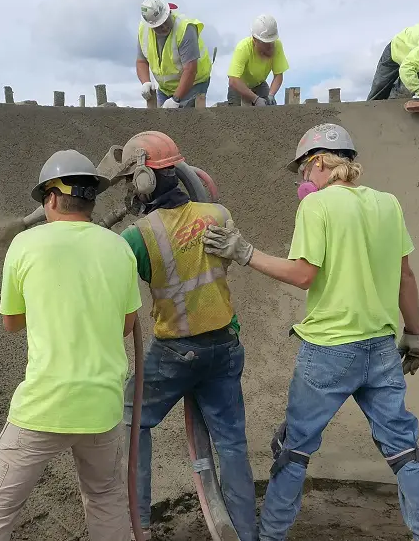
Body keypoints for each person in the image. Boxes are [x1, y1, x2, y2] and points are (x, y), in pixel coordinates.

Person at [202, 124, 419, 541]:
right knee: (404, 449)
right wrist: (415, 334)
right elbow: (405, 275)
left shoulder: (317, 208)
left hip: (330, 350)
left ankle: (271, 536)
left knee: (294, 449)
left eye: (302, 171)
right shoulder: (388, 203)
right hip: (381, 348)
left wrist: (244, 252)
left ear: (318, 162)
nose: (302, 181)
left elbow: (302, 274)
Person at [0, 150, 142, 541]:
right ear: (91, 199)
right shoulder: (119, 248)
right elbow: (126, 326)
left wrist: (44, 300)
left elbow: (11, 323)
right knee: (107, 501)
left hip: (44, 407)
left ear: (50, 198)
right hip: (102, 408)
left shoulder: (25, 245)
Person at [118, 131, 256, 541]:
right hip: (225, 349)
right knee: (231, 442)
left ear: (144, 179)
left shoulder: (138, 236)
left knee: (130, 419)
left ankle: (137, 524)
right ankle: (246, 531)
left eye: (132, 180)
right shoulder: (218, 215)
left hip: (175, 351)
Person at [136, 0, 214, 109]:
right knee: (162, 122)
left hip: (194, 83)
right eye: (158, 26)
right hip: (165, 88)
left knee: (187, 122)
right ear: (150, 26)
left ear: (169, 12)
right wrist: (145, 82)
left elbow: (190, 69)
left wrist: (176, 99)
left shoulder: (185, 29)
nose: (164, 27)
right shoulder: (144, 31)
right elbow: (141, 61)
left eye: (165, 21)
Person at [226, 14, 289, 106]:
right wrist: (255, 99)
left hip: (259, 84)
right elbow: (233, 80)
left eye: (272, 42)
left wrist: (271, 95)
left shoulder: (277, 45)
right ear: (255, 39)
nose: (270, 46)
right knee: (235, 116)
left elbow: (278, 75)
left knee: (270, 110)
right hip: (239, 86)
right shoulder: (243, 48)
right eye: (266, 43)